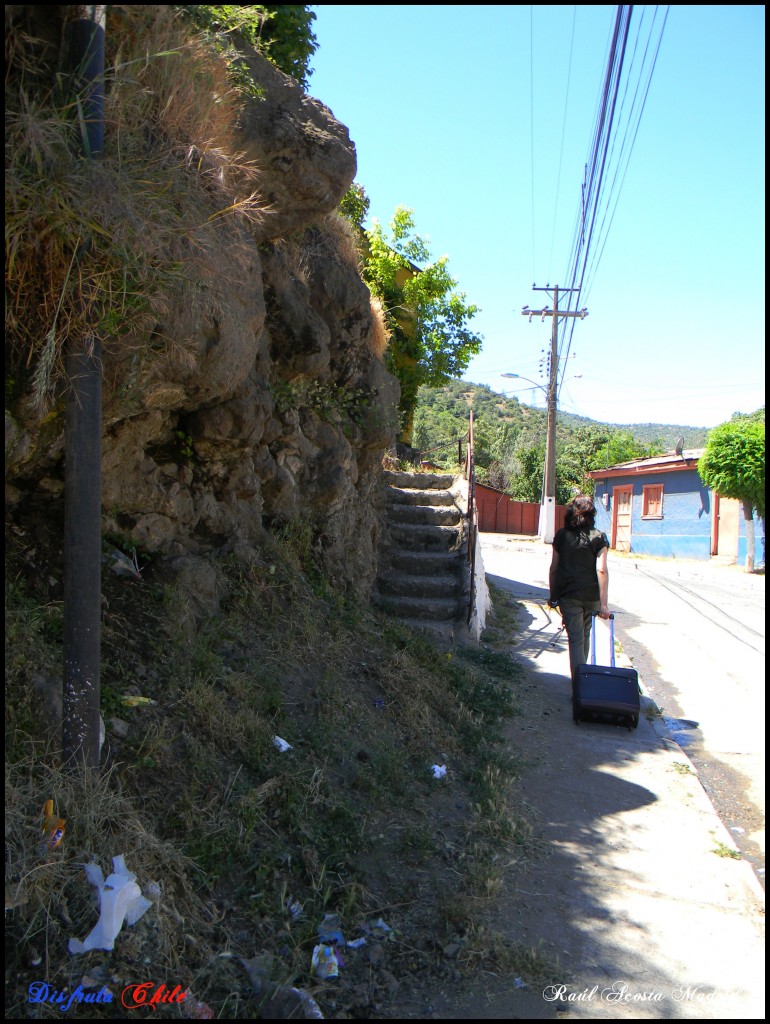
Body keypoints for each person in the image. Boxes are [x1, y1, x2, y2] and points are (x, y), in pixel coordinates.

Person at [548, 495, 611, 682]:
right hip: (591, 597)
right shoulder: (599, 537)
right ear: (592, 514)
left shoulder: (561, 536)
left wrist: (553, 596)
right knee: (584, 634)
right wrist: (603, 604)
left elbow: (554, 568)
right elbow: (602, 570)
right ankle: (583, 682)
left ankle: (579, 686)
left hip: (569, 596)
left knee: (576, 639)